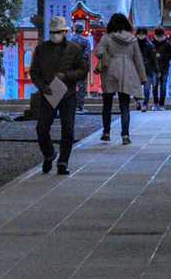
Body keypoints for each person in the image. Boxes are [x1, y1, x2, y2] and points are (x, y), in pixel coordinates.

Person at [28, 16, 89, 175]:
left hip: (68, 93)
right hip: (48, 93)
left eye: (58, 32)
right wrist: (43, 87)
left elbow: (83, 71)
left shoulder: (74, 49)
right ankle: (49, 153)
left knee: (68, 129)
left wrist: (66, 75)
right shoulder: (41, 49)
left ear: (64, 32)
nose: (55, 35)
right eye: (53, 32)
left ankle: (63, 162)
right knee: (42, 128)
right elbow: (34, 72)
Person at [96, 13, 147, 144]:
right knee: (124, 105)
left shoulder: (106, 38)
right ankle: (125, 135)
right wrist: (142, 77)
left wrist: (104, 56)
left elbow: (99, 52)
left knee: (107, 104)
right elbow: (138, 59)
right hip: (127, 71)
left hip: (110, 71)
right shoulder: (132, 39)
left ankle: (106, 132)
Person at [135, 27, 158, 112]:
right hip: (136, 69)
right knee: (136, 87)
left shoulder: (150, 45)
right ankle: (137, 101)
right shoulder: (133, 44)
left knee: (147, 88)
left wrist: (156, 69)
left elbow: (154, 59)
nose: (141, 36)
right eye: (139, 34)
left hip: (148, 69)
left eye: (143, 34)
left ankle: (145, 104)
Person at [151, 27, 171, 110]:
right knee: (154, 86)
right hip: (154, 69)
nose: (159, 38)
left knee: (163, 87)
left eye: (160, 36)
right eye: (157, 36)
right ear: (155, 36)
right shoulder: (151, 44)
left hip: (164, 68)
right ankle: (155, 103)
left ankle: (161, 104)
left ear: (163, 35)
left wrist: (161, 56)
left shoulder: (167, 44)